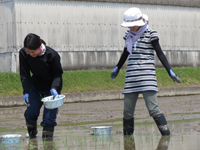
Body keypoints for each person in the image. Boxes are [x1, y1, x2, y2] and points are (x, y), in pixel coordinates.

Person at [111, 7, 181, 136]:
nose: (130, 28)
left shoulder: (151, 33)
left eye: (132, 25)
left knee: (153, 110)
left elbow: (160, 53)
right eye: (129, 25)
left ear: (139, 22)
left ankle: (166, 137)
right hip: (131, 77)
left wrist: (170, 71)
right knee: (127, 112)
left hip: (147, 77)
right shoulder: (128, 35)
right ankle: (128, 142)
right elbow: (126, 53)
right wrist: (117, 67)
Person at [19, 33, 63, 139]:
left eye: (33, 52)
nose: (30, 54)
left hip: (52, 88)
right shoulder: (24, 54)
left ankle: (48, 142)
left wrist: (54, 88)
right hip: (36, 86)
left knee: (49, 119)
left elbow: (57, 74)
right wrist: (26, 91)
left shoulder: (52, 55)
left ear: (39, 47)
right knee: (31, 113)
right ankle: (32, 137)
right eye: (28, 52)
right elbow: (25, 75)